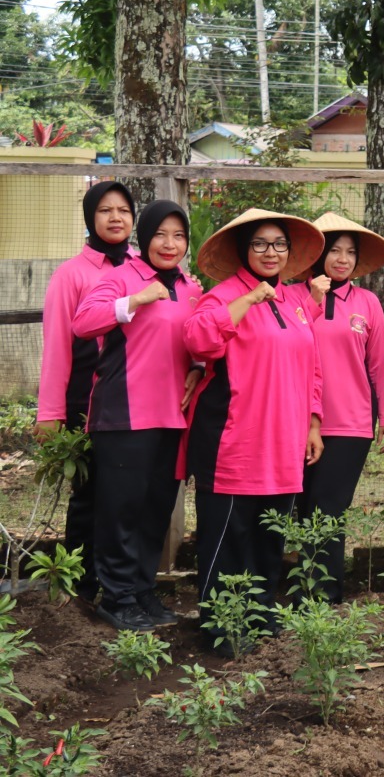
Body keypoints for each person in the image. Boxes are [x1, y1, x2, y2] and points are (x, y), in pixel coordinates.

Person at [184, 208, 326, 639]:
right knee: (228, 537)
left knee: (270, 536)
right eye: (260, 244)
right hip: (234, 444)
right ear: (244, 249)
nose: (271, 252)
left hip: (283, 444)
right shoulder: (222, 295)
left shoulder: (295, 302)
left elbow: (311, 367)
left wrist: (313, 424)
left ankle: (259, 616)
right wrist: (246, 301)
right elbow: (198, 340)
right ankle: (220, 628)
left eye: (279, 244)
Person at [71, 200, 200, 631]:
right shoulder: (121, 277)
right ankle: (117, 596)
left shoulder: (190, 286)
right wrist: (136, 300)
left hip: (171, 417)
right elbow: (83, 322)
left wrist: (198, 369)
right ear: (144, 236)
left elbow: (200, 339)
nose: (170, 244)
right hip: (124, 416)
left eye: (179, 235)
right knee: (121, 511)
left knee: (154, 510)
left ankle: (143, 591)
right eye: (161, 234)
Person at [38, 179, 135, 606]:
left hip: (138, 401)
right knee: (89, 498)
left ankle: (124, 586)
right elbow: (57, 346)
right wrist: (50, 412)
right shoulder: (71, 274)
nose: (116, 218)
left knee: (126, 498)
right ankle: (79, 590)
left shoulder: (141, 267)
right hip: (88, 401)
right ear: (90, 218)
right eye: (105, 210)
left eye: (124, 211)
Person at [297, 212, 384, 603]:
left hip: (351, 424)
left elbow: (379, 364)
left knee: (329, 510)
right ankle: (299, 590)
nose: (342, 259)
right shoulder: (293, 295)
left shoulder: (367, 302)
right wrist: (312, 298)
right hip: (299, 420)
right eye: (333, 250)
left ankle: (325, 596)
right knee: (301, 508)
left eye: (349, 252)